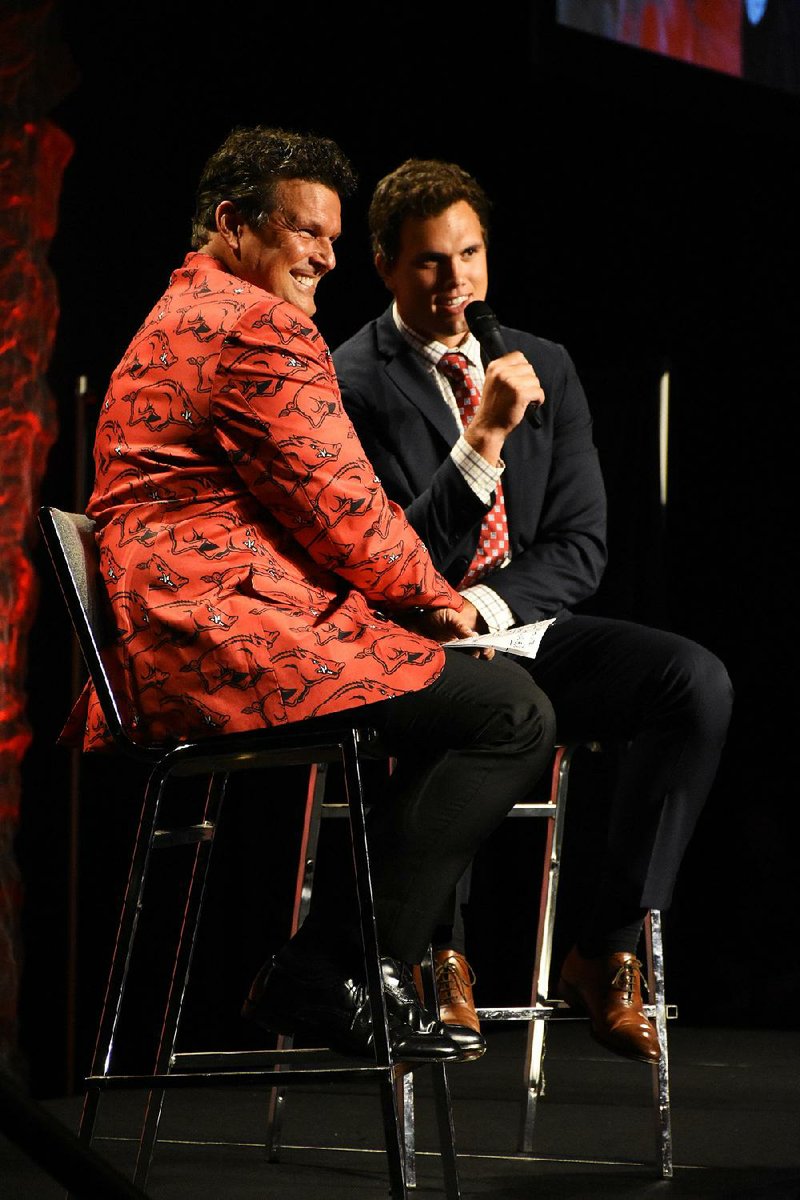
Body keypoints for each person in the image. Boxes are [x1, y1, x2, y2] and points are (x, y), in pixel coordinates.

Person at [73, 128, 559, 1067]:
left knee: (447, 698)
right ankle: (340, 965)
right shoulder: (257, 324)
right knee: (507, 711)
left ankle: (350, 964)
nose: (328, 258)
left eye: (335, 238)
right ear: (232, 223)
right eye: (305, 231)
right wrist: (442, 605)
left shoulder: (177, 309)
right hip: (217, 639)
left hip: (169, 643)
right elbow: (344, 513)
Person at [333, 157, 734, 1064]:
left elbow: (582, 545)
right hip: (407, 639)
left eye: (469, 255)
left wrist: (484, 606)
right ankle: (439, 955)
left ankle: (610, 946)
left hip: (516, 622)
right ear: (387, 267)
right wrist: (482, 442)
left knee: (693, 683)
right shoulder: (349, 382)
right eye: (431, 261)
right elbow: (393, 560)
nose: (455, 281)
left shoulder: (541, 361)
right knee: (479, 705)